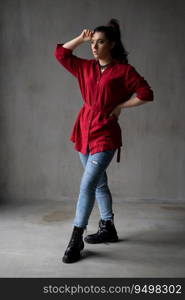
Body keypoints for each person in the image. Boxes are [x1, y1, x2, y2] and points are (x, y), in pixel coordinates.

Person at [54, 18, 154, 263]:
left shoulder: (123, 71)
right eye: (93, 43)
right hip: (83, 130)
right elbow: (60, 54)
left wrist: (120, 105)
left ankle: (76, 238)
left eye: (100, 42)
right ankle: (108, 226)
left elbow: (146, 94)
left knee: (87, 185)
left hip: (105, 134)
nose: (94, 47)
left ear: (112, 44)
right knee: (98, 184)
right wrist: (81, 38)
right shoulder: (85, 68)